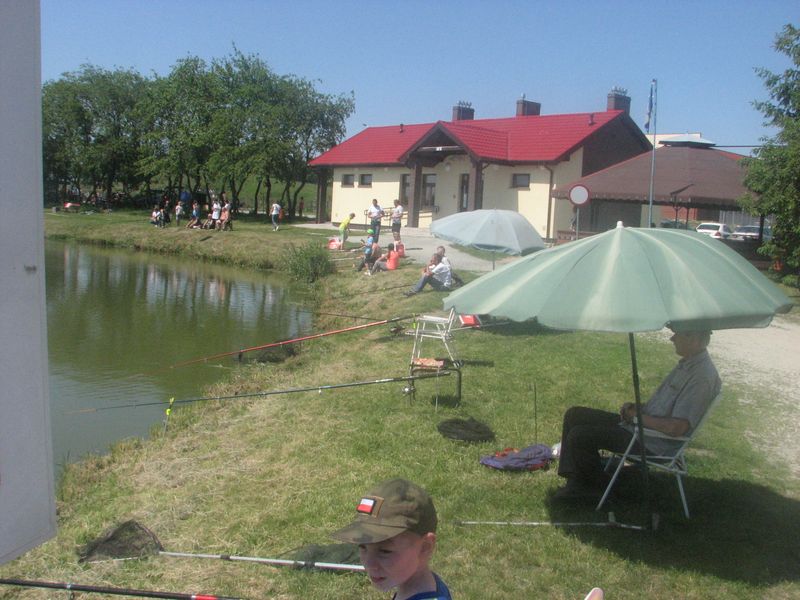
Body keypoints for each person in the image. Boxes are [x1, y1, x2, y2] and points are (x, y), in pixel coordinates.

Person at [553, 329, 722, 501]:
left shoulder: (701, 378)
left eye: (677, 334)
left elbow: (676, 428)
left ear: (693, 338)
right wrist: (637, 408)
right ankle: (576, 479)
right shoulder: (688, 365)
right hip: (639, 429)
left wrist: (636, 417)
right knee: (575, 414)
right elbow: (662, 409)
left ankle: (597, 489)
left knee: (580, 436)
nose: (672, 338)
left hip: (651, 443)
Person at [332, 478, 451, 600]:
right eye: (362, 547)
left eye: (385, 551)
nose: (369, 563)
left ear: (425, 546)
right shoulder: (422, 587)